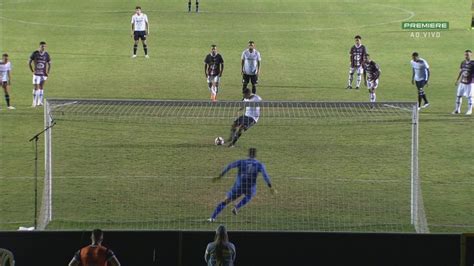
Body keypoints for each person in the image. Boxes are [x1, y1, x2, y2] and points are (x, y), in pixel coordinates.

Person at [208, 148, 276, 222]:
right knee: (250, 195)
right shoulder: (259, 164)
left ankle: (212, 218)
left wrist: (220, 176)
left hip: (238, 186)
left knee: (225, 201)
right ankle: (237, 207)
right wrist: (270, 186)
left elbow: (229, 166)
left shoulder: (241, 162)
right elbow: (265, 175)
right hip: (250, 187)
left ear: (248, 155)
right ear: (255, 155)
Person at [29, 41, 51, 107]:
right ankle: (34, 102)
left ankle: (40, 102)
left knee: (41, 87)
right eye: (42, 46)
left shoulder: (46, 54)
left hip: (43, 74)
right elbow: (29, 62)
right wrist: (32, 71)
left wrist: (48, 72)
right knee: (36, 87)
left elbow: (49, 64)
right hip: (36, 73)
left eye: (44, 46)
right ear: (39, 46)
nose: (43, 47)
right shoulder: (35, 53)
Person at [452, 49, 473, 115]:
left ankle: (469, 110)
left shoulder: (473, 63)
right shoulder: (463, 62)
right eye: (465, 55)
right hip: (462, 82)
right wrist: (457, 80)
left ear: (471, 55)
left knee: (470, 97)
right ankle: (457, 110)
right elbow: (460, 71)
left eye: (468, 55)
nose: (466, 56)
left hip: (470, 83)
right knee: (458, 96)